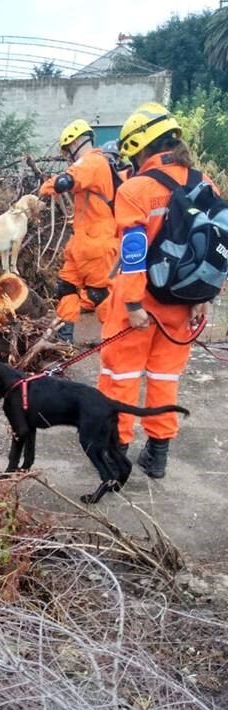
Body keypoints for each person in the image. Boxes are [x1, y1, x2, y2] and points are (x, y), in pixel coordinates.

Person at [97, 101, 217, 478]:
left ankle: (116, 449)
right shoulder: (204, 183)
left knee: (122, 375)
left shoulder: (136, 189)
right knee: (165, 377)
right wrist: (204, 296)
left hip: (139, 304)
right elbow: (214, 247)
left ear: (140, 147)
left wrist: (133, 303)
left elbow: (133, 256)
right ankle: (158, 454)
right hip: (183, 301)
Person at [40, 119, 120, 343]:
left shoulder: (93, 161)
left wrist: (48, 186)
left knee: (100, 295)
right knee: (66, 288)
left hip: (98, 243)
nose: (67, 155)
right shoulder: (94, 164)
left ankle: (117, 340)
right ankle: (64, 343)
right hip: (82, 242)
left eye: (67, 150)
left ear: (75, 143)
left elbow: (66, 181)